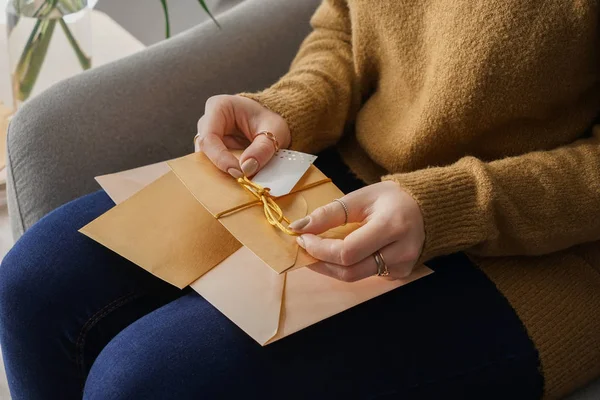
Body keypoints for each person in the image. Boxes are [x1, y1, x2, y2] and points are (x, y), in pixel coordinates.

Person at [1, 0, 599, 399]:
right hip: (350, 165)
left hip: (537, 256)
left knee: (147, 381)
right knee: (34, 281)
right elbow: (344, 19)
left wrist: (447, 204)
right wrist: (290, 106)